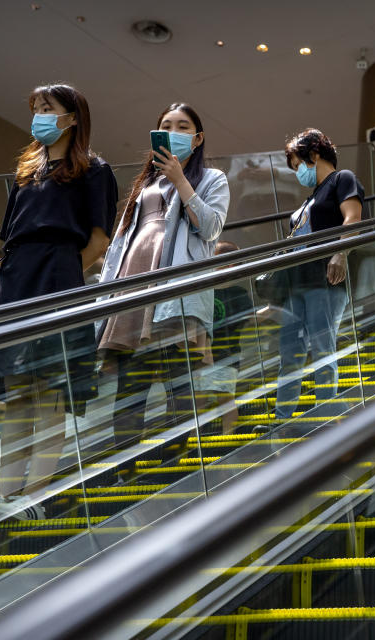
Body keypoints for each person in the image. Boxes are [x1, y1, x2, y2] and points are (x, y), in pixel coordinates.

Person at [0, 84, 117, 521]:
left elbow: (99, 241)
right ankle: (4, 499)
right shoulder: (27, 170)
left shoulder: (94, 170)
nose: (39, 116)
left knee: (49, 392)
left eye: (48, 109)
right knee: (18, 394)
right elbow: (10, 235)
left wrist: (63, 279)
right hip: (17, 278)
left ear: (72, 117)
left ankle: (35, 500)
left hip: (56, 279)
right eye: (36, 109)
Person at [97, 103, 229, 481]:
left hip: (175, 293)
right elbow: (121, 242)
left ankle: (176, 469)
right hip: (134, 290)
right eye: (166, 126)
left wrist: (181, 180)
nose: (174, 131)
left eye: (183, 126)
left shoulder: (212, 178)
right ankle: (125, 472)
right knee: (131, 387)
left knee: (178, 383)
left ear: (198, 137)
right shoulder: (145, 184)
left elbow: (211, 228)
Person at [268, 128, 363, 430]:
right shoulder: (307, 201)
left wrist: (341, 253)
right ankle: (282, 419)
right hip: (296, 283)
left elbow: (352, 218)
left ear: (315, 153)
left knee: (323, 348)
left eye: (299, 164)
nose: (298, 172)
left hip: (325, 279)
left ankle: (325, 416)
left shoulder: (341, 179)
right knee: (290, 353)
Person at [196, 240, 251, 435]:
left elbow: (246, 321)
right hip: (201, 357)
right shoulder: (204, 291)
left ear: (228, 264)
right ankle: (195, 444)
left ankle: (227, 439)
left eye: (214, 258)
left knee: (225, 398)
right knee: (198, 401)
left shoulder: (239, 293)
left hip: (227, 355)